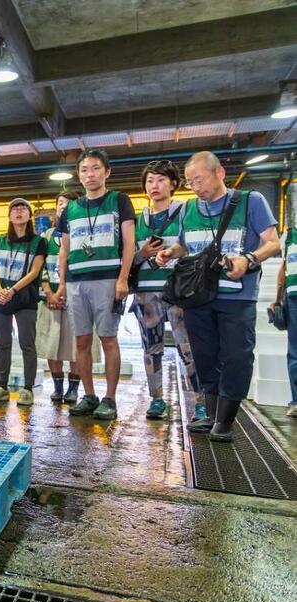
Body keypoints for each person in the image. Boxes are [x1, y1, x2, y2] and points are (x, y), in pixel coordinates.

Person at [157, 151, 279, 441]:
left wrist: (248, 259)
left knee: (236, 356)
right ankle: (211, 414)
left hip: (237, 296)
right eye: (190, 182)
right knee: (204, 355)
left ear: (219, 173)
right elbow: (186, 246)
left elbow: (272, 243)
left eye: (199, 179)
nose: (195, 187)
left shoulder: (250, 201)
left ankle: (226, 420)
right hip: (198, 296)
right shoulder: (188, 209)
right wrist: (170, 252)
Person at [57, 148, 135, 419]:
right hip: (77, 282)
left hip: (107, 280)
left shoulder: (119, 200)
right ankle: (88, 396)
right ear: (79, 176)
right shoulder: (70, 210)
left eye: (95, 168)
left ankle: (110, 399)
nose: (89, 174)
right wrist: (62, 283)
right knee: (81, 341)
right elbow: (64, 249)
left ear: (107, 172)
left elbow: (129, 244)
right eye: (84, 170)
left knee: (108, 339)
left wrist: (123, 278)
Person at [131, 160, 206, 420]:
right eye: (150, 181)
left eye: (161, 179)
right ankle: (157, 400)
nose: (155, 185)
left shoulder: (186, 211)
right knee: (151, 348)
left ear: (174, 183)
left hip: (179, 292)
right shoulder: (139, 219)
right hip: (145, 292)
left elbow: (193, 245)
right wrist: (141, 254)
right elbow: (127, 258)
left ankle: (200, 402)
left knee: (188, 347)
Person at [0, 198, 47, 405]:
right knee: (3, 344)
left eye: (23, 208)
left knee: (27, 344)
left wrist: (12, 290)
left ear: (29, 215)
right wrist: (0, 290)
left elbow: (35, 271)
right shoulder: (0, 240)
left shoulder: (38, 242)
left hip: (25, 298)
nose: (19, 212)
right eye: (14, 209)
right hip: (1, 297)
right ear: (9, 215)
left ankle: (27, 389)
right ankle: (2, 387)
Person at [37, 191, 81, 403]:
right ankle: (57, 386)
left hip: (77, 300)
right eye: (60, 204)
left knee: (76, 347)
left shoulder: (83, 232)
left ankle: (74, 389)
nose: (63, 208)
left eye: (69, 204)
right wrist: (49, 293)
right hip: (50, 300)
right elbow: (39, 267)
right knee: (51, 345)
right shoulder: (46, 236)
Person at [272, 222, 297, 418]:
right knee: (295, 351)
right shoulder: (289, 234)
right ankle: (296, 400)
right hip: (292, 295)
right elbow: (284, 266)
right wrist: (277, 298)